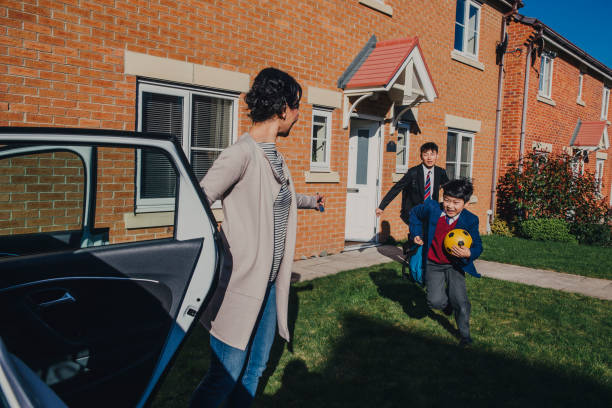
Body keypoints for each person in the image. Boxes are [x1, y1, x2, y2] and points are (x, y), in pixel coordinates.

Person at [190, 67, 324, 407]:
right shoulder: (242, 153)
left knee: (255, 370)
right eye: (296, 106)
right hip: (241, 286)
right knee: (225, 375)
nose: (298, 114)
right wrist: (220, 242)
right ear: (281, 109)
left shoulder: (275, 156)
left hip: (269, 285)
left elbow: (277, 197)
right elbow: (195, 200)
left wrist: (310, 201)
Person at [409, 178, 482, 346]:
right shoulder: (432, 208)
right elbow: (414, 213)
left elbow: (478, 245)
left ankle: (465, 336)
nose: (450, 206)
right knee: (435, 302)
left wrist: (469, 252)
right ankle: (447, 305)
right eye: (447, 200)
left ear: (466, 203)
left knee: (461, 302)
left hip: (455, 265)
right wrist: (416, 233)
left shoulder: (470, 220)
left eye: (456, 202)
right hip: (433, 263)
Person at [376, 142, 449, 225]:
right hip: (415, 213)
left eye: (432, 154)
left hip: (432, 212)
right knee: (416, 236)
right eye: (425, 154)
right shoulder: (413, 172)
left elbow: (450, 189)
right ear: (421, 156)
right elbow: (397, 188)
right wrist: (381, 207)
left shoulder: (440, 172)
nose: (429, 158)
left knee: (430, 237)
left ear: (437, 156)